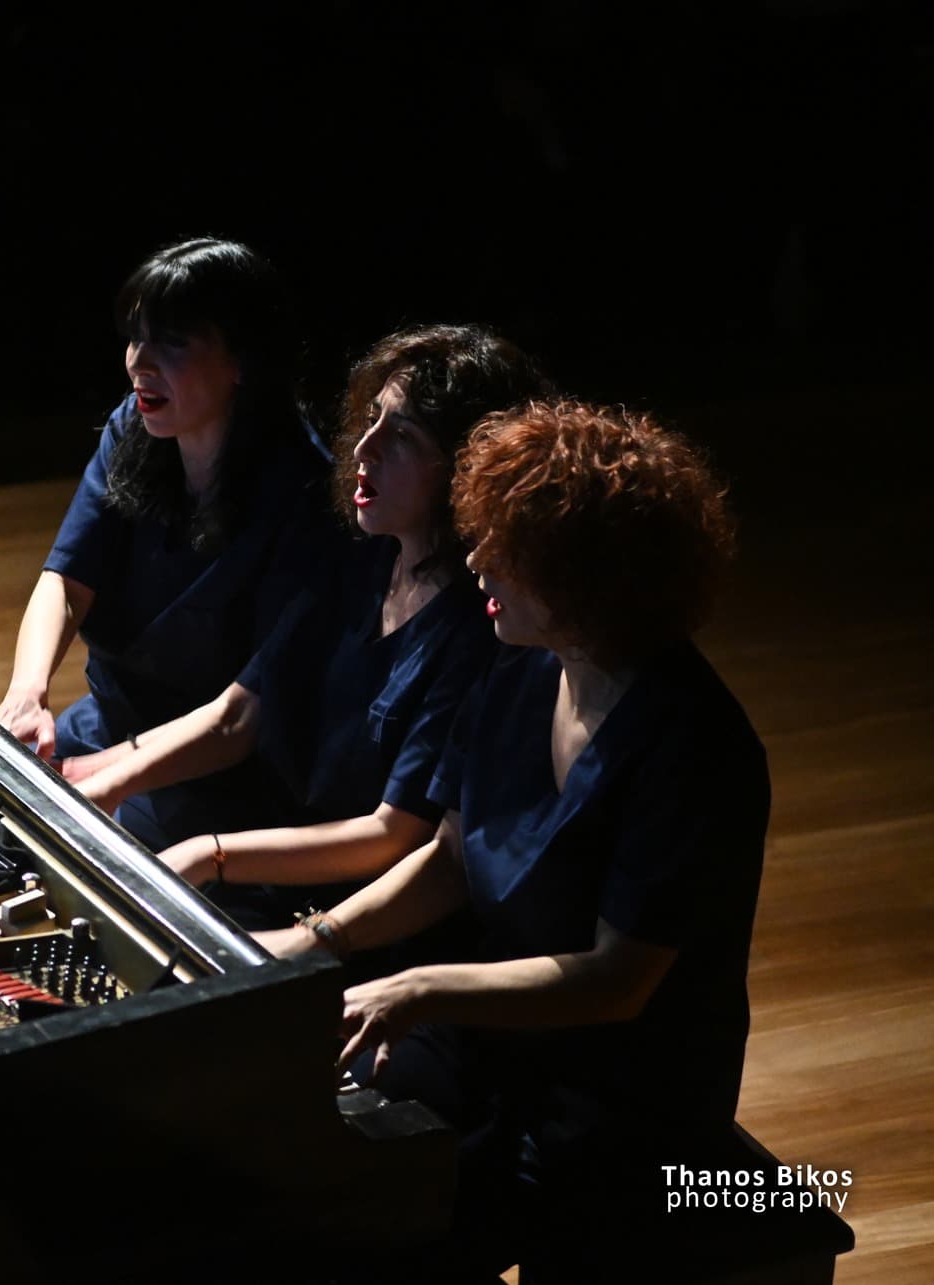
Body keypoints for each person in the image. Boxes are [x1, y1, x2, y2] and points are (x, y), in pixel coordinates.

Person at [257, 400, 762, 1277]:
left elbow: (617, 981)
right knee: (302, 1159)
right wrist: (315, 940)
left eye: (509, 548)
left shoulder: (693, 746)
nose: (477, 557)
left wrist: (416, 988)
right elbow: (451, 857)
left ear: (586, 577)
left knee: (405, 1229)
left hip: (622, 1095)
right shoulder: (521, 667)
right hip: (498, 1034)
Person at [95, 326, 550, 928]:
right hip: (267, 828)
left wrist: (212, 854)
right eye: (373, 418)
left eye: (403, 436)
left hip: (345, 897)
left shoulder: (479, 625)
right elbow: (238, 714)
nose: (365, 447)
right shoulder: (359, 554)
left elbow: (391, 835)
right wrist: (103, 780)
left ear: (465, 467)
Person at [0, 238, 337, 850]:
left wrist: (111, 776)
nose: (138, 362)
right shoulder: (134, 426)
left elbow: (239, 719)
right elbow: (67, 580)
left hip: (217, 779)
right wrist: (27, 691)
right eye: (136, 337)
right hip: (108, 728)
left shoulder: (305, 496)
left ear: (243, 361)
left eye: (171, 342)